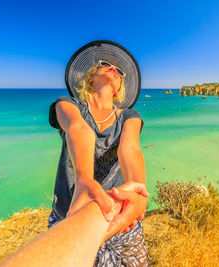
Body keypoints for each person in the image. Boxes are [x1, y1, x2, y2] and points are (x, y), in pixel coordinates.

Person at [48, 41, 149, 266]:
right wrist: (84, 180)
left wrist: (138, 191)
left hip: (120, 219)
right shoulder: (67, 105)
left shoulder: (129, 116)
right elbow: (79, 129)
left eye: (119, 70)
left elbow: (130, 148)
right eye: (105, 64)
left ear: (119, 87)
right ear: (91, 77)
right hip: (71, 213)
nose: (114, 68)